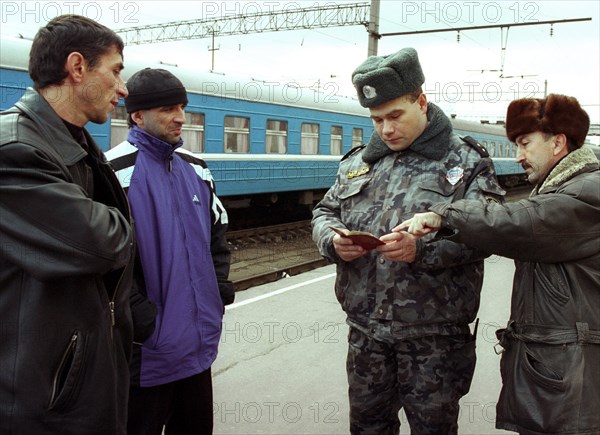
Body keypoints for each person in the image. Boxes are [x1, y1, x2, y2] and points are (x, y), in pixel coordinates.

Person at [311, 47, 505, 434]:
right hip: (366, 334)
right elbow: (323, 212)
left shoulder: (466, 162)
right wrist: (333, 242)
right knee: (368, 427)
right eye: (377, 119)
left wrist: (423, 251)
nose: (385, 129)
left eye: (395, 115)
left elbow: (490, 230)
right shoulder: (359, 162)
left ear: (421, 100)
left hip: (434, 338)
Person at [397, 94, 600, 434]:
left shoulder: (586, 193)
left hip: (573, 368)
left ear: (559, 143)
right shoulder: (566, 187)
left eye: (525, 143)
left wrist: (443, 213)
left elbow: (517, 222)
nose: (519, 156)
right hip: (562, 362)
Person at [0, 15, 134, 435]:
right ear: (77, 69)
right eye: (115, 71)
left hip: (75, 383)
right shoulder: (16, 150)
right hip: (41, 400)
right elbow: (103, 243)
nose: (123, 89)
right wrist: (123, 225)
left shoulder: (71, 141)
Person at [105, 68, 234, 435]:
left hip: (197, 341)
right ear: (137, 115)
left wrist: (218, 289)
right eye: (167, 108)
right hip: (145, 352)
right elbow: (104, 260)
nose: (180, 117)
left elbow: (217, 238)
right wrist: (141, 320)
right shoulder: (112, 172)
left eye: (181, 106)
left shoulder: (197, 170)